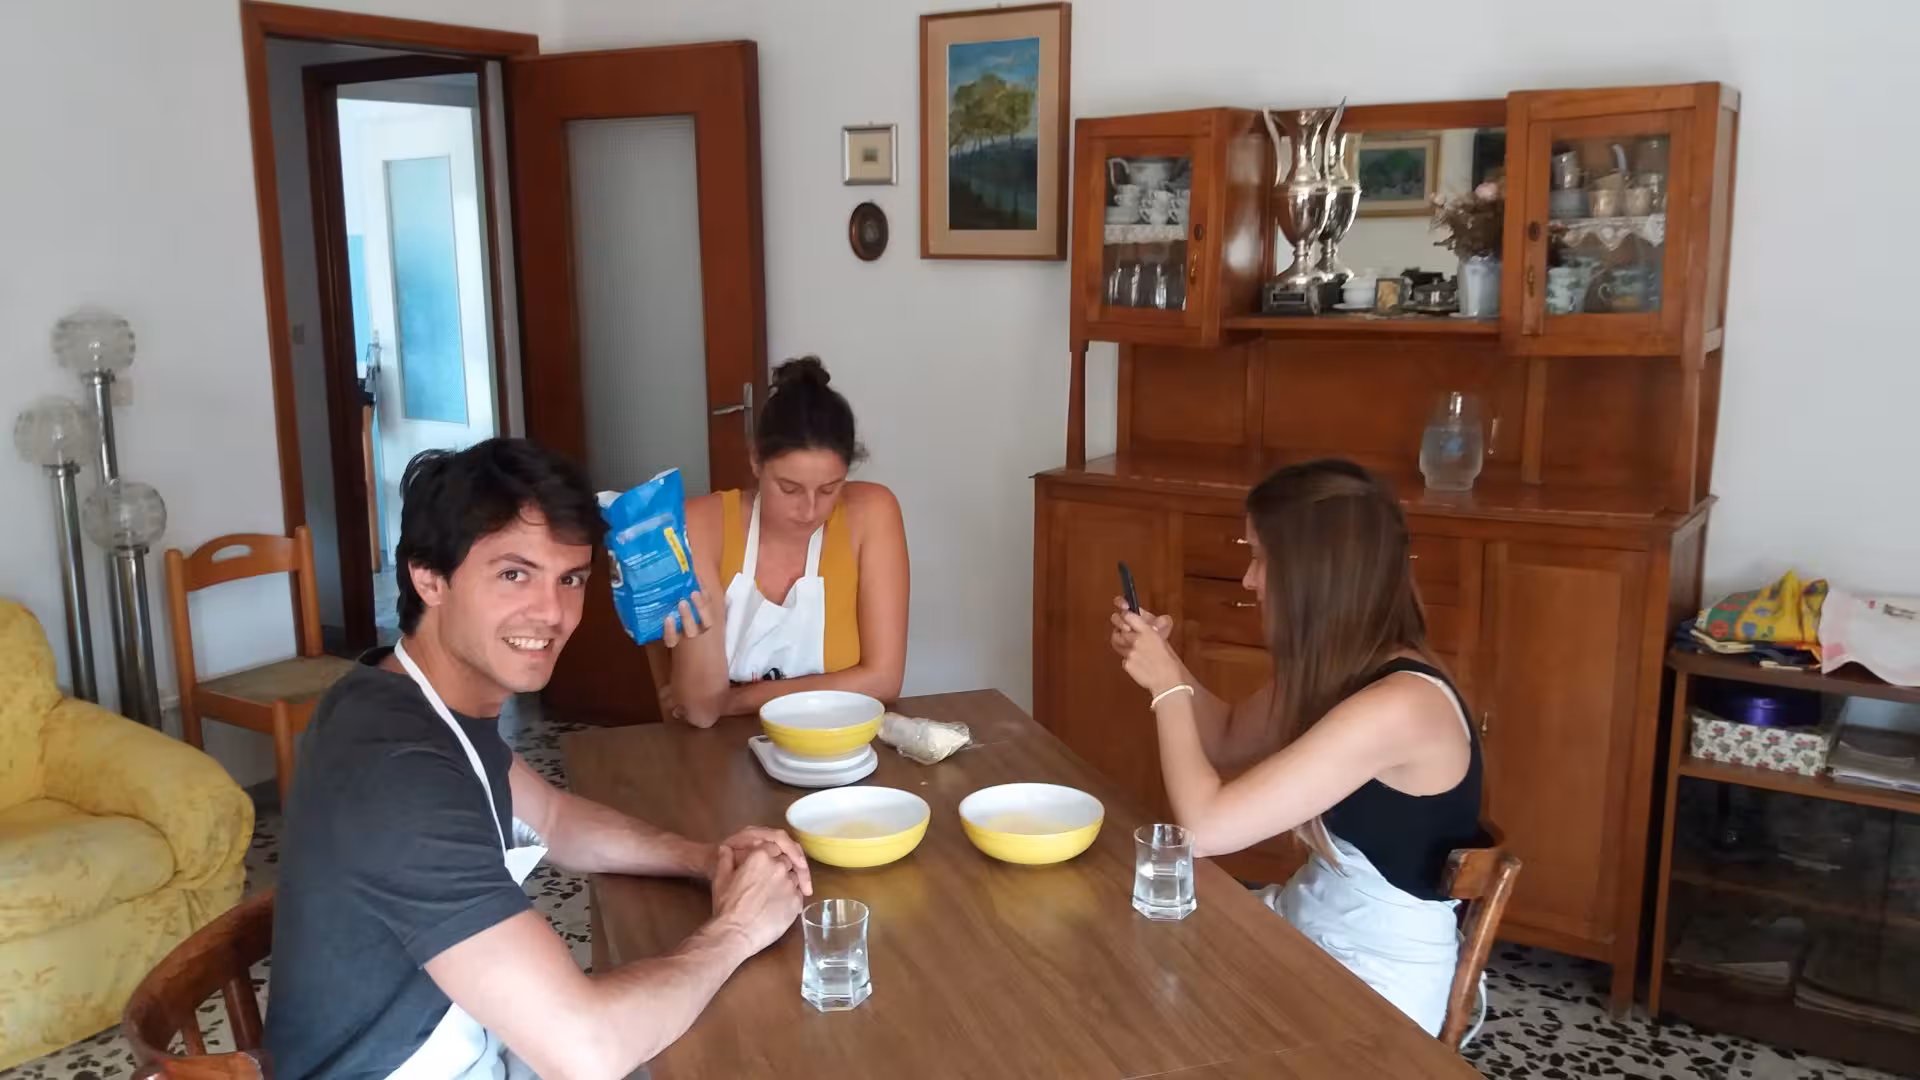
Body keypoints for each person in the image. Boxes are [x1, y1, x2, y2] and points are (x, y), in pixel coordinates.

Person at [265, 438, 812, 1080]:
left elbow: (551, 818)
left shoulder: (405, 696)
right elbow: (586, 1050)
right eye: (514, 574)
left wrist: (708, 859)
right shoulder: (395, 770)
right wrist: (737, 930)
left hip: (476, 1041)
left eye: (571, 578)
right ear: (428, 576)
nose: (552, 613)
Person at [1108, 458, 1484, 1039]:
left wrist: (1167, 686)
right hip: (1310, 927)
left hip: (1372, 984)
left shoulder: (1400, 705)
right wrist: (1166, 663)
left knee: (1141, 1007)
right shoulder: (1339, 670)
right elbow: (1228, 736)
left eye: (1261, 558)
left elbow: (1206, 829)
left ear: (1314, 573)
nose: (1249, 580)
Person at [660, 356, 908, 726]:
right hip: (718, 750)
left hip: (839, 737)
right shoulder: (701, 524)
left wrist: (739, 698)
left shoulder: (872, 513)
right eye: (789, 488)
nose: (810, 510)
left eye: (829, 488)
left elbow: (884, 680)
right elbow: (701, 710)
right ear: (756, 461)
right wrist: (715, 702)